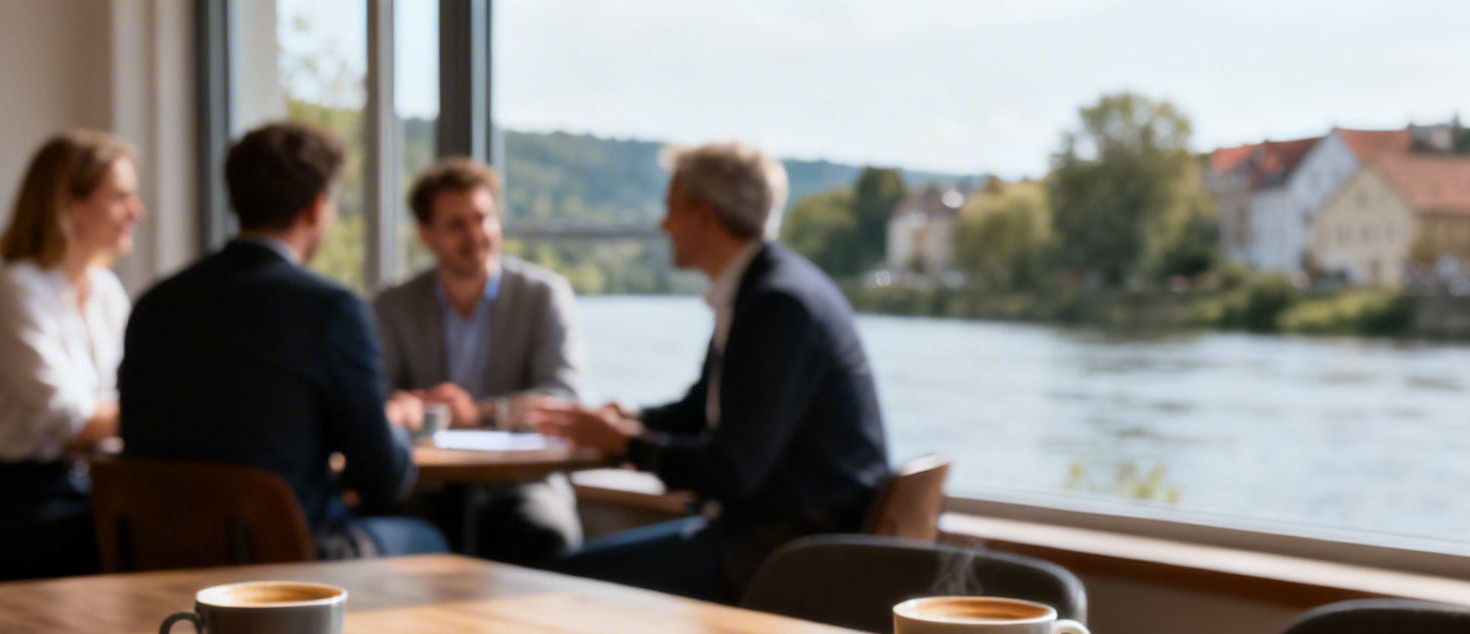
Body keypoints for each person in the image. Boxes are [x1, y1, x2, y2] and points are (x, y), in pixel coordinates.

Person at [530, 141, 890, 602]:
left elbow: (731, 472)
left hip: (789, 556)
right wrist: (631, 420)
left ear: (705, 214)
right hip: (780, 540)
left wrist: (626, 444)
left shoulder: (777, 304)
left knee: (557, 584)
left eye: (671, 208)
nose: (663, 225)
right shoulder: (766, 288)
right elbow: (702, 409)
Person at [117, 122, 445, 559]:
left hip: (161, 553)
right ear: (317, 208)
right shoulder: (330, 309)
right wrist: (400, 425)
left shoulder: (154, 305)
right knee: (429, 540)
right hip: (284, 557)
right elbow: (381, 476)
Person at [372, 158, 585, 567]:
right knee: (390, 534)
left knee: (547, 536)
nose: (475, 235)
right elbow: (374, 397)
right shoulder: (392, 305)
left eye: (483, 218)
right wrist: (423, 407)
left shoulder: (544, 295)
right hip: (423, 483)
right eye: (457, 224)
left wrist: (481, 413)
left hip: (522, 481)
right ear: (426, 234)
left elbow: (563, 394)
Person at [0, 130, 141, 580]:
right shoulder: (14, 291)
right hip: (17, 508)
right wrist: (167, 411)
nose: (136, 211)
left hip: (83, 488)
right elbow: (73, 420)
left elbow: (114, 402)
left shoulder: (105, 290)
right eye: (120, 197)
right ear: (70, 204)